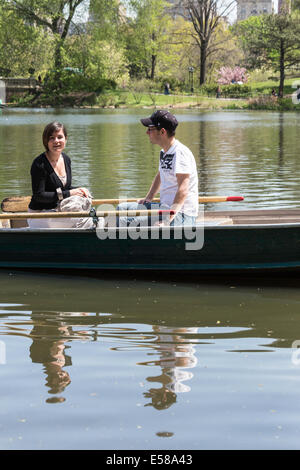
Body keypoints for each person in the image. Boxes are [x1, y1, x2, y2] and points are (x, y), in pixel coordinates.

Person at [118, 110, 198, 227]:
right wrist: (148, 199)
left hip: (181, 214)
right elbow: (160, 175)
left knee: (126, 222)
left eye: (150, 129)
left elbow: (183, 190)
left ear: (162, 132)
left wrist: (167, 220)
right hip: (164, 208)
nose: (147, 132)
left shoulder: (180, 153)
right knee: (121, 209)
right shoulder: (164, 152)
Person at [28, 121, 90, 228]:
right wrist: (70, 193)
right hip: (39, 215)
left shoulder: (66, 159)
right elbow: (39, 195)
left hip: (58, 211)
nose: (56, 141)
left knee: (95, 218)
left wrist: (79, 190)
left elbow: (63, 188)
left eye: (60, 137)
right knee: (86, 221)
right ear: (46, 141)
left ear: (66, 139)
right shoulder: (39, 164)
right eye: (51, 138)